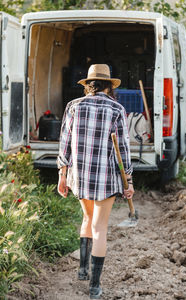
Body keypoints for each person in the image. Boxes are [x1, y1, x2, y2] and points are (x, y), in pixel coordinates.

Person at [57, 64, 134, 299]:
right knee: (100, 227)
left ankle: (82, 269)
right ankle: (94, 286)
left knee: (87, 218)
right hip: (105, 177)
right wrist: (128, 180)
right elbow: (123, 148)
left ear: (88, 85)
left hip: (79, 175)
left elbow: (64, 143)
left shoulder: (73, 106)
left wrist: (62, 175)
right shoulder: (116, 109)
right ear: (110, 86)